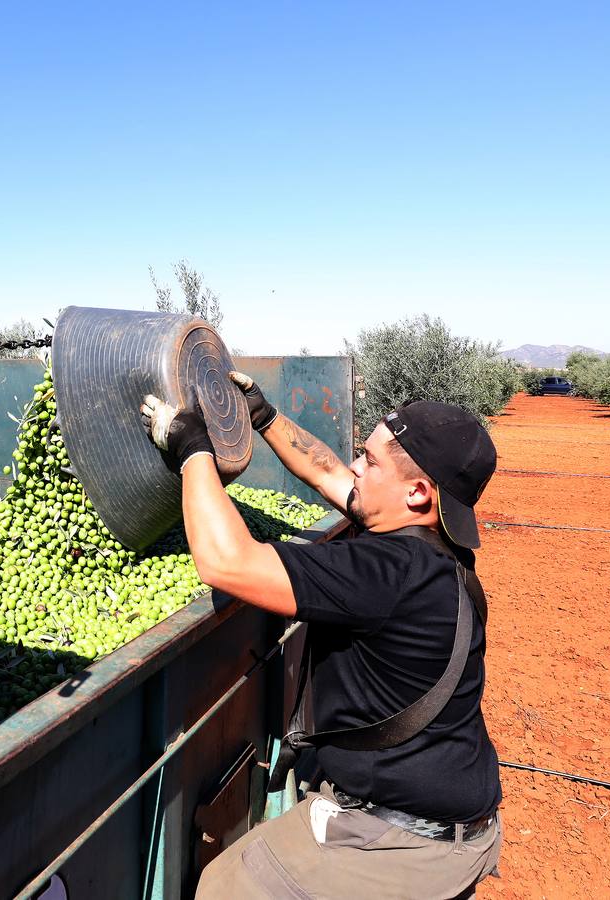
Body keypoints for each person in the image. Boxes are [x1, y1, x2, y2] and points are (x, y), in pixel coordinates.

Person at [138, 372, 503, 900]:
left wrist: (193, 448)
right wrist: (263, 417)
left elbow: (225, 562)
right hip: (459, 820)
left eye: (371, 461)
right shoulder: (440, 552)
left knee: (223, 887)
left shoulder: (385, 571)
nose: (356, 466)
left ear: (418, 493)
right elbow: (330, 472)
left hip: (406, 840)